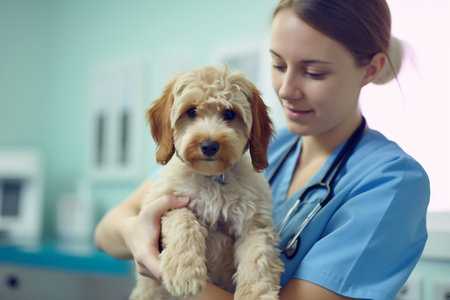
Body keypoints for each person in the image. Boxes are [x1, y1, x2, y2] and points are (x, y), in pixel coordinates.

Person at [94, 0, 430, 299]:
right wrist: (136, 234)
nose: (286, 90)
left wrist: (162, 266)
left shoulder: (391, 183)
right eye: (278, 65)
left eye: (314, 72)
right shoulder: (266, 143)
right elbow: (107, 230)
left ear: (370, 69)